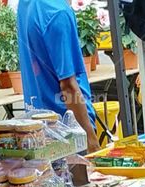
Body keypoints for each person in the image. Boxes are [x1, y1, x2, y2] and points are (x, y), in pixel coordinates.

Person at [17, 0, 99, 148]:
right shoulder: (58, 13)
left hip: (39, 131)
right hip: (69, 135)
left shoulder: (27, 4)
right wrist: (91, 140)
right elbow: (68, 87)